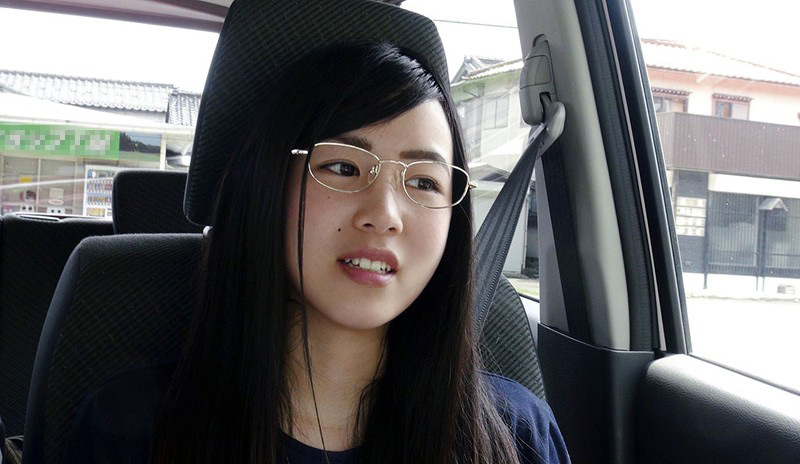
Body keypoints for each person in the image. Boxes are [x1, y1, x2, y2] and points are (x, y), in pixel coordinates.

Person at [62, 20, 569, 464]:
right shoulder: (131, 431)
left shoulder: (516, 437)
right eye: (343, 167)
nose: (385, 216)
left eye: (423, 181)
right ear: (269, 185)